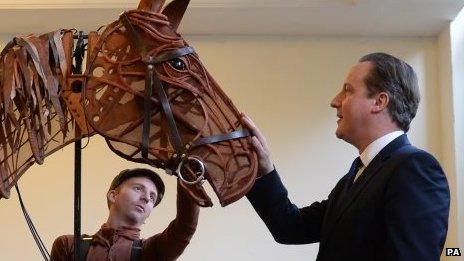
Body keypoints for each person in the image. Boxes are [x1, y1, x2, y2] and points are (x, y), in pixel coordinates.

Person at [242, 52, 450, 260]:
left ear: (379, 101)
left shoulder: (414, 167)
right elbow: (290, 227)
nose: (335, 101)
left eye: (347, 91)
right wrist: (261, 170)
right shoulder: (353, 179)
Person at [50, 168, 199, 261]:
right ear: (113, 196)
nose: (147, 198)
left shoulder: (153, 250)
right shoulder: (68, 245)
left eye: (152, 197)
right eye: (138, 188)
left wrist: (188, 174)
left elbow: (185, 227)